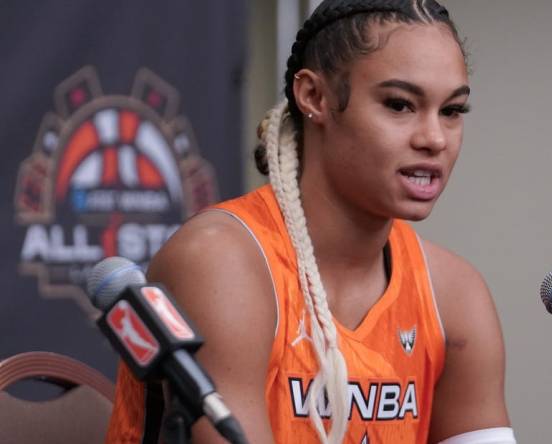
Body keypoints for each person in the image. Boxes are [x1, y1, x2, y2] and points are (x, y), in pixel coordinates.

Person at [105, 1, 512, 443]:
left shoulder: (454, 295)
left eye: (452, 111)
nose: (434, 138)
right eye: (399, 105)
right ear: (314, 97)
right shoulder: (221, 263)